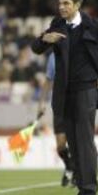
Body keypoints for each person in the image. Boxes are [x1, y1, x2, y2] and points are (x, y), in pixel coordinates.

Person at [31, 0, 98, 195]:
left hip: (86, 90)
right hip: (64, 93)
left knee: (84, 141)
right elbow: (36, 48)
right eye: (59, 3)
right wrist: (42, 40)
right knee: (73, 144)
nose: (61, 7)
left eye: (66, 3)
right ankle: (84, 189)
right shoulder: (56, 25)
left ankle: (89, 192)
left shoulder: (95, 26)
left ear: (77, 5)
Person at [38, 53, 76, 187]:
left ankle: (78, 173)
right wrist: (41, 102)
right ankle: (70, 167)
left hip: (75, 102)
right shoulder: (53, 56)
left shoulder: (76, 50)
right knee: (60, 145)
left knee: (75, 143)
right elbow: (48, 80)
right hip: (59, 104)